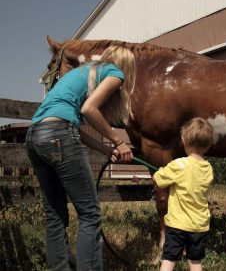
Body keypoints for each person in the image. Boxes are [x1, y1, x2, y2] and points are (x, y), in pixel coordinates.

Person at [25, 44, 135, 271]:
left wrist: (104, 149)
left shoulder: (80, 73)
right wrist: (119, 142)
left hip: (34, 136)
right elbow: (88, 110)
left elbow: (65, 123)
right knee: (89, 213)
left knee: (54, 213)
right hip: (57, 134)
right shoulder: (116, 73)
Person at [153, 117, 214, 271]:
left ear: (183, 141)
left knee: (169, 259)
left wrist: (160, 172)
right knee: (195, 262)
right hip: (199, 225)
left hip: (177, 225)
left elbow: (159, 180)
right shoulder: (208, 169)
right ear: (208, 145)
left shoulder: (178, 165)